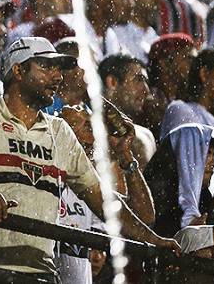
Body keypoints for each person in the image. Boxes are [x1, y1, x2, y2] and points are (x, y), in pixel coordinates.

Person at [0, 36, 179, 280]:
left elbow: (104, 201)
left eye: (59, 69)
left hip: (38, 271)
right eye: (46, 67)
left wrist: (153, 240)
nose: (57, 77)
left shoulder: (59, 131)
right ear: (18, 70)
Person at [57, 101, 157, 284]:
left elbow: (143, 217)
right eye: (87, 125)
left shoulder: (88, 189)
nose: (94, 133)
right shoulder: (42, 175)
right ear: (60, 129)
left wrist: (125, 154)